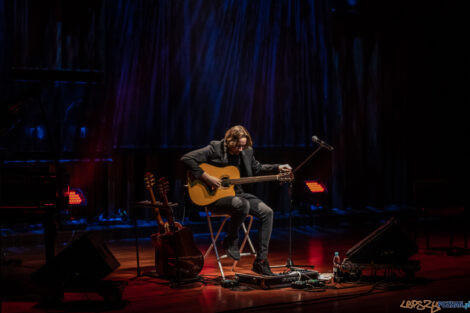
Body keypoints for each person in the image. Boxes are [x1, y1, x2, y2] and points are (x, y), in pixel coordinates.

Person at [181, 125, 292, 276]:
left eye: (243, 146)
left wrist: (278, 167)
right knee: (242, 204)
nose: (241, 149)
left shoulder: (246, 151)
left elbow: (257, 169)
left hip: (238, 194)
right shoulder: (215, 148)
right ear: (229, 142)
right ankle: (231, 239)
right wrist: (207, 178)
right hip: (216, 197)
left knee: (268, 212)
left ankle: (261, 262)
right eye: (238, 146)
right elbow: (187, 158)